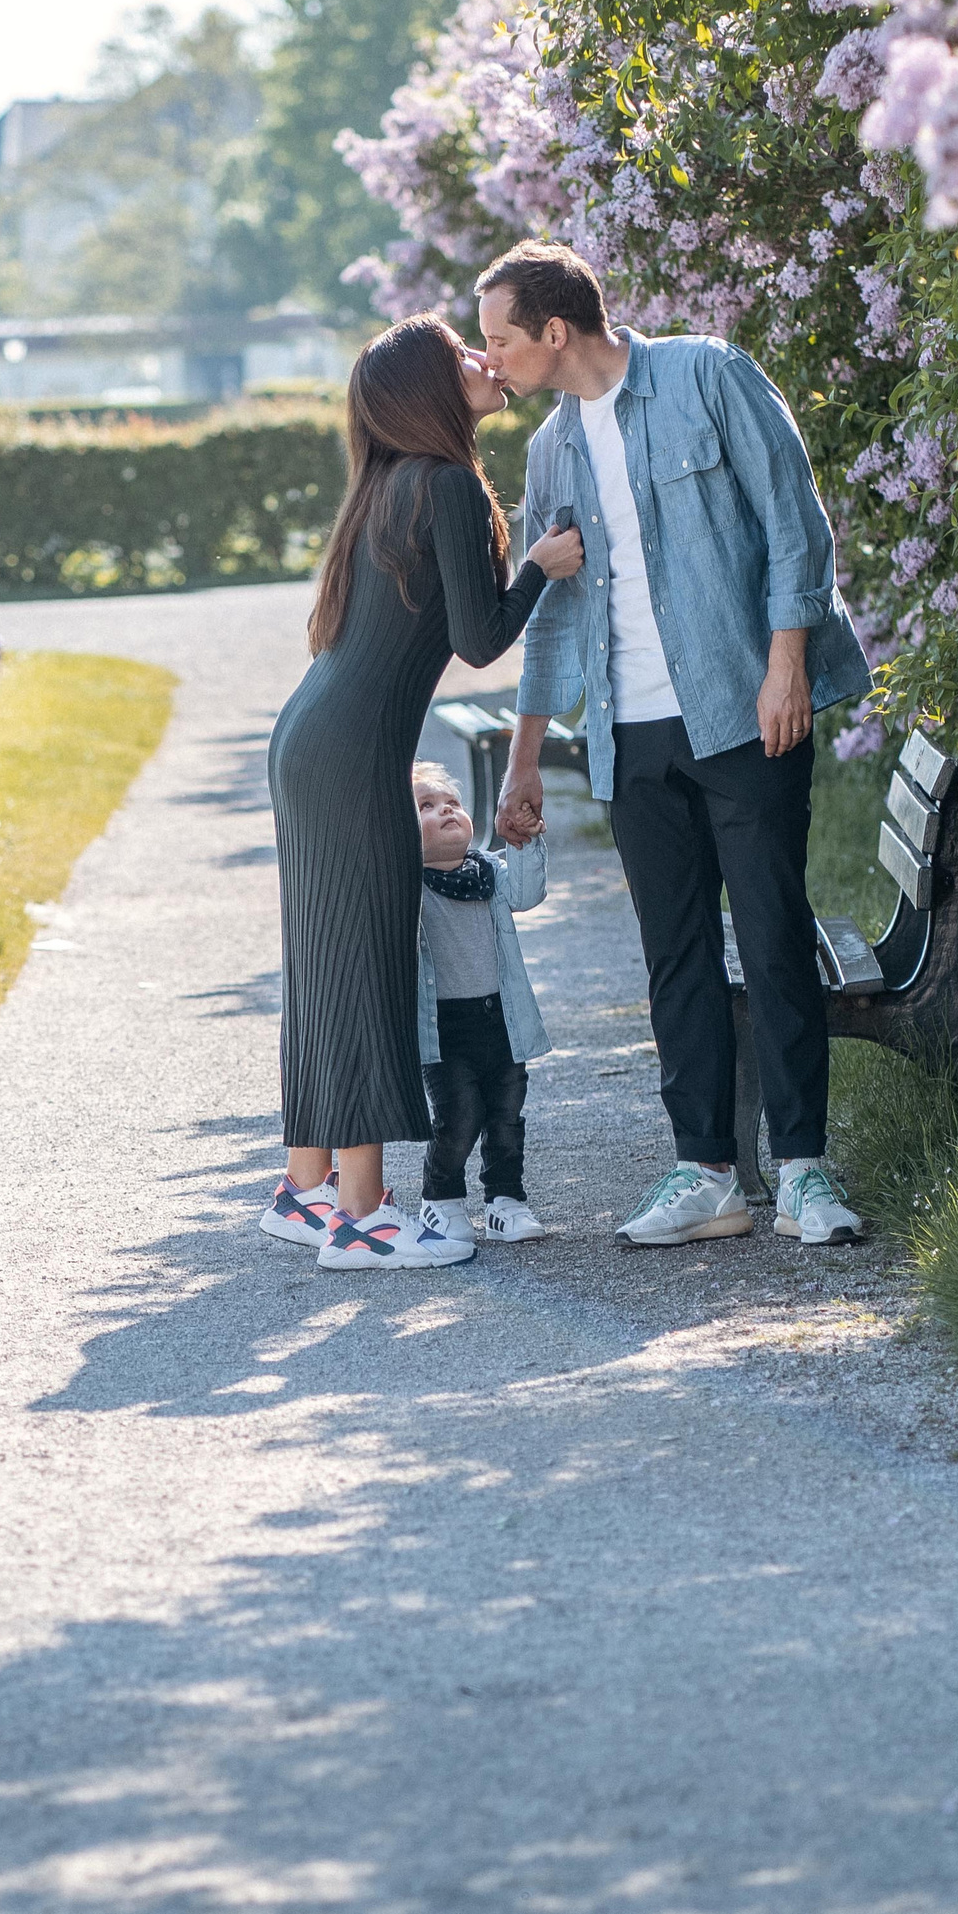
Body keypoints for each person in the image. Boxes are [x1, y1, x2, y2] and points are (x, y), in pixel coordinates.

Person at [476, 240, 873, 1250]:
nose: (491, 361)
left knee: (773, 937)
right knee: (676, 956)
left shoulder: (707, 374)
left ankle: (803, 1170)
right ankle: (707, 1172)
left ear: (553, 331)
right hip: (630, 734)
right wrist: (524, 760)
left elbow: (796, 523)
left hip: (744, 710)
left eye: (500, 341)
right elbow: (555, 620)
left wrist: (786, 665)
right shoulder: (552, 452)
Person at [261, 314, 585, 1272]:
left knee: (325, 962)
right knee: (365, 966)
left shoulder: (387, 485)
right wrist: (539, 569)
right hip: (351, 753)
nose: (484, 361)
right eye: (460, 355)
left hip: (310, 739)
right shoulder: (444, 483)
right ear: (426, 391)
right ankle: (360, 1217)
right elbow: (481, 639)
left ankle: (305, 1187)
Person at [410, 761, 553, 1244]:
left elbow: (528, 892)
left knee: (506, 1118)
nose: (445, 810)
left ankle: (506, 1201)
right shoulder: (408, 887)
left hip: (501, 1019)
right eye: (426, 806)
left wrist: (523, 842)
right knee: (459, 1117)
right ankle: (441, 1199)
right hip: (445, 1029)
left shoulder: (489, 871)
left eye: (451, 801)